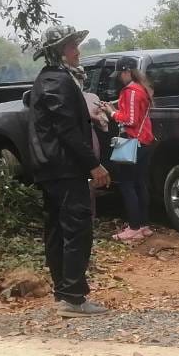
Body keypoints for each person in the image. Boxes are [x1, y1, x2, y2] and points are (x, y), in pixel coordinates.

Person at [26, 25, 111, 316]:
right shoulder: (57, 81)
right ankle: (73, 298)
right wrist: (93, 164)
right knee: (77, 230)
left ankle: (65, 293)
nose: (78, 51)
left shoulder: (51, 79)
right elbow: (67, 130)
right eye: (73, 46)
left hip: (53, 167)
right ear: (60, 51)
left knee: (58, 230)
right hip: (63, 168)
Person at [109, 60, 156, 242]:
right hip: (145, 141)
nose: (119, 78)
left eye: (120, 74)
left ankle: (133, 227)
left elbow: (129, 120)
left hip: (131, 141)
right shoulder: (142, 89)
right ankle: (144, 225)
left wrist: (111, 112)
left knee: (127, 184)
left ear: (127, 72)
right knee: (140, 183)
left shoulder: (130, 91)